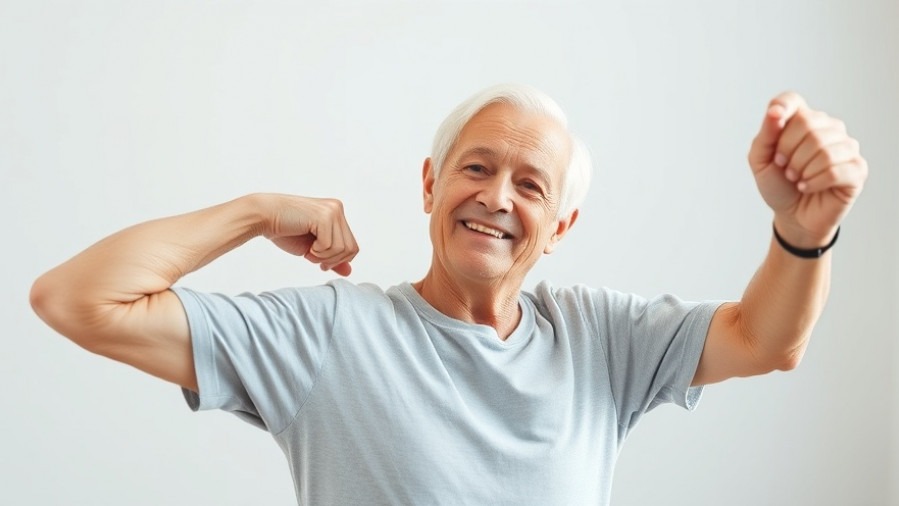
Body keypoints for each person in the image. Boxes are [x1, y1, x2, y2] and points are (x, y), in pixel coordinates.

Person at [30, 84, 867, 505]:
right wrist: (254, 212)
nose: (497, 198)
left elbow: (767, 341)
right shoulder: (326, 332)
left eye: (530, 185)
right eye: (476, 167)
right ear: (430, 185)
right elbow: (76, 299)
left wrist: (804, 229)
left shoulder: (603, 337)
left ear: (561, 225)